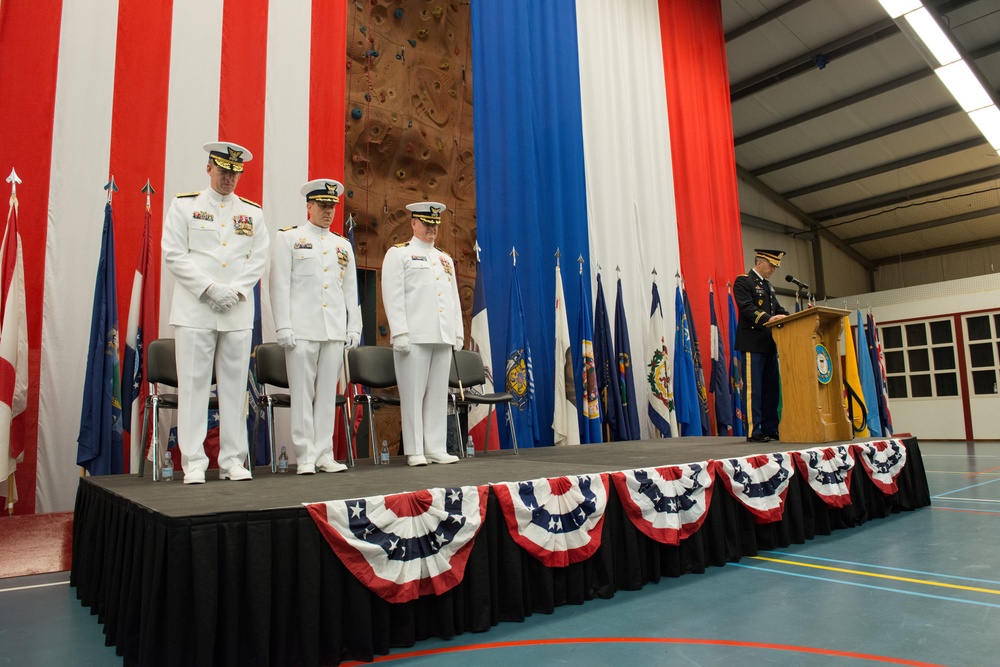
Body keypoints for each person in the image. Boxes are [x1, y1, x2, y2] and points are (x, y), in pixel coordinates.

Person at [162, 141, 270, 483]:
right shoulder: (184, 207)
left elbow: (259, 258)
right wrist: (209, 289)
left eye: (235, 173)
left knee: (236, 389)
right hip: (196, 309)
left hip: (236, 310)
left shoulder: (253, 213)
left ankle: (232, 461)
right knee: (193, 387)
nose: (229, 179)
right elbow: (174, 253)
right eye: (223, 171)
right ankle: (193, 461)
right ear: (209, 168)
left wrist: (236, 290)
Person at [269, 179, 360, 474]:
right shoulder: (290, 239)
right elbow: (279, 285)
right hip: (302, 330)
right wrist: (283, 325)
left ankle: (324, 453)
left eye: (331, 206)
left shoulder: (342, 245)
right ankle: (305, 455)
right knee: (303, 393)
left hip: (332, 330)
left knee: (326, 396)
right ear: (308, 206)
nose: (328, 211)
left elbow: (350, 290)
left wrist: (353, 327)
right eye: (322, 206)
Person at [381, 202, 463, 466]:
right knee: (413, 394)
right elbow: (392, 295)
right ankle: (415, 450)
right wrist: (400, 332)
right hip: (414, 335)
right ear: (413, 223)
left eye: (435, 224)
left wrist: (457, 332)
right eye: (427, 224)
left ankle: (436, 447)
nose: (432, 229)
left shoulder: (444, 258)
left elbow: (453, 299)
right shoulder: (399, 254)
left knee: (438, 394)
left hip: (441, 335)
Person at [733, 249, 789, 443]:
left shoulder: (768, 286)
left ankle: (770, 428)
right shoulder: (744, 281)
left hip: (769, 343)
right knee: (754, 390)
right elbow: (747, 308)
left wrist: (792, 317)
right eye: (772, 265)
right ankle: (754, 430)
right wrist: (769, 318)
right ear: (760, 263)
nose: (774, 269)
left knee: (771, 390)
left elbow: (778, 309)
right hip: (753, 342)